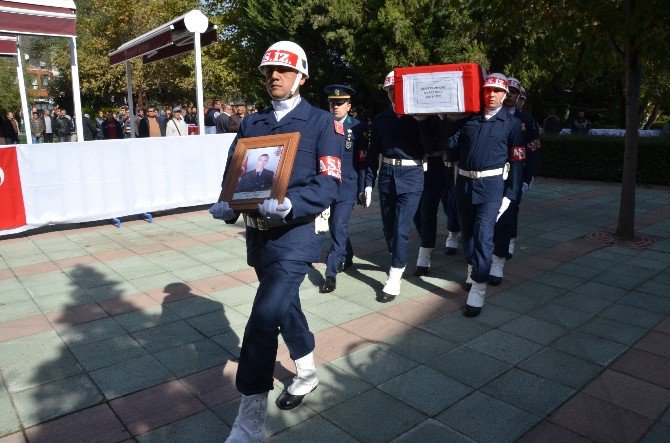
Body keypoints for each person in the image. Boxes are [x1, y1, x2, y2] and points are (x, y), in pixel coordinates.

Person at [210, 40, 343, 442]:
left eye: (283, 70)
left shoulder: (321, 122)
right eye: (269, 70)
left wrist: (293, 205)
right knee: (286, 307)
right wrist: (227, 203)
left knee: (264, 319)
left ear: (301, 76)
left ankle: (250, 418)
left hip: (296, 237)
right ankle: (306, 371)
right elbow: (236, 170)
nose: (274, 76)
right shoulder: (253, 123)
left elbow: (330, 181)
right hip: (259, 238)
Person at [442, 73, 525, 317]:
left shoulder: (511, 124)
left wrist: (511, 193)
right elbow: (450, 148)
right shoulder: (470, 121)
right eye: (488, 90)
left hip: (492, 187)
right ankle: (472, 268)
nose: (492, 95)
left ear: (504, 95)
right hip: (464, 184)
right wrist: (447, 120)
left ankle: (478, 287)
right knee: (468, 233)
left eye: (497, 92)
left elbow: (518, 161)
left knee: (483, 235)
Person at [365, 71, 437, 302]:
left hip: (412, 173)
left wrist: (422, 122)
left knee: (401, 228)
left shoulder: (421, 117)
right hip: (386, 174)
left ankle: (394, 276)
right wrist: (367, 182)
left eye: (398, 88)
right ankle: (398, 256)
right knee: (388, 227)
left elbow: (431, 147)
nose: (395, 93)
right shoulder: (380, 119)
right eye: (390, 89)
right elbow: (372, 152)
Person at [488, 78, 539, 285]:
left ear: (519, 97)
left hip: (514, 177)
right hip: (490, 177)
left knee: (508, 216)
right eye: (506, 91)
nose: (509, 96)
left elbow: (533, 152)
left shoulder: (525, 122)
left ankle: (499, 258)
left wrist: (528, 178)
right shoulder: (488, 117)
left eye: (513, 93)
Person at [320, 84, 368, 293]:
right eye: (332, 103)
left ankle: (330, 274)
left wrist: (365, 186)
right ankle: (346, 256)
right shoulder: (323, 124)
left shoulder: (358, 127)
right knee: (334, 226)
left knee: (339, 226)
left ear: (349, 105)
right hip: (328, 183)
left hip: (348, 185)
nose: (335, 107)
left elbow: (363, 160)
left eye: (340, 103)